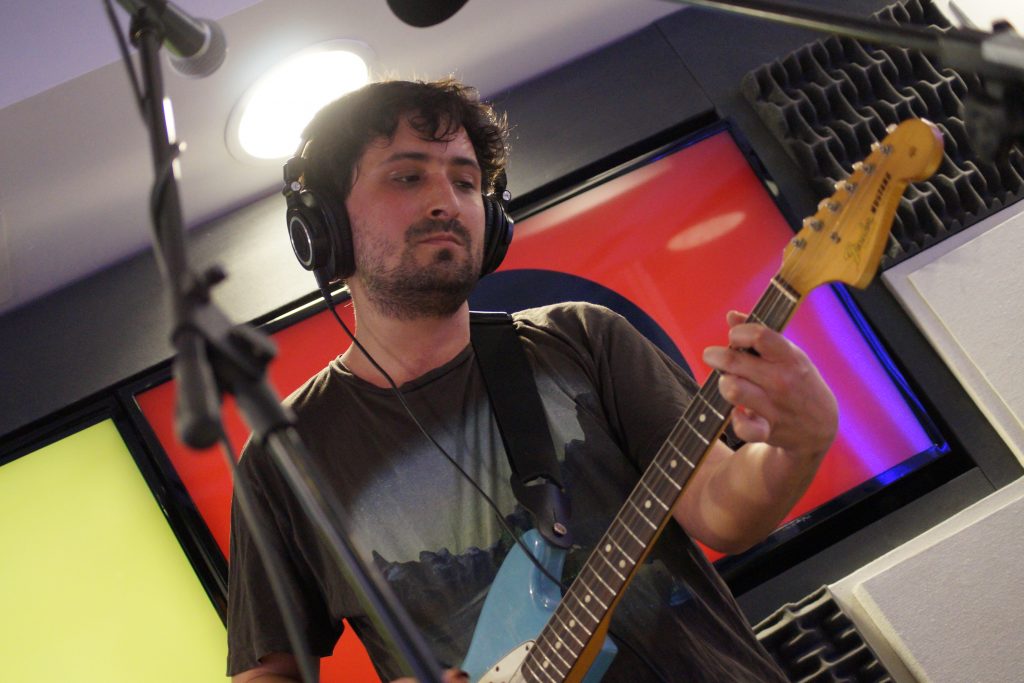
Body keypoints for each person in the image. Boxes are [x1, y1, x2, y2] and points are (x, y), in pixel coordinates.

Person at [227, 79, 838, 683]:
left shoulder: (582, 338)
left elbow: (720, 511)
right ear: (325, 225)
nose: (447, 202)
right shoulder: (284, 457)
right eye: (407, 177)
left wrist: (796, 446)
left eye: (466, 182)